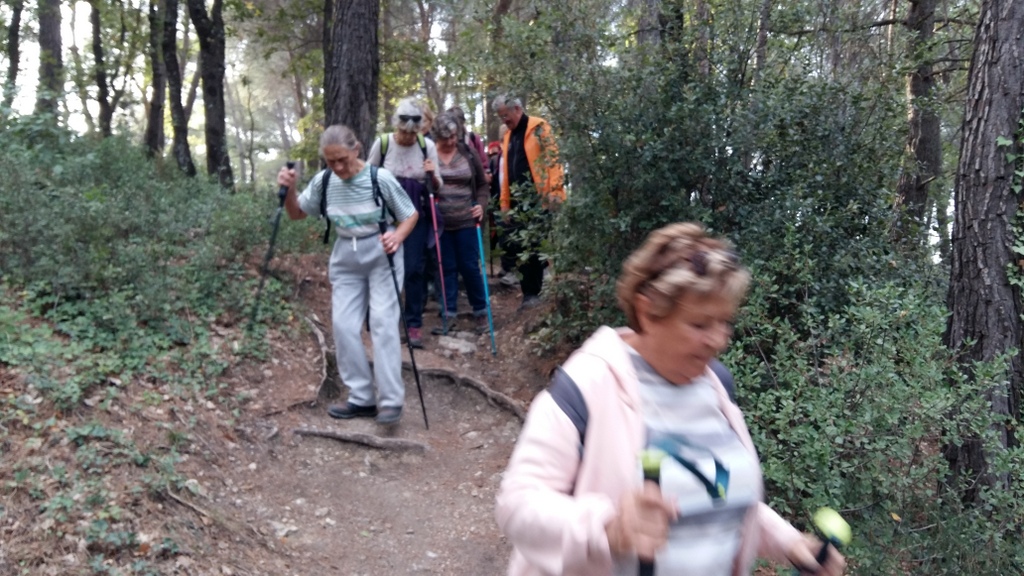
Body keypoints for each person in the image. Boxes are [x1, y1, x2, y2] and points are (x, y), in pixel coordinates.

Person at [495, 222, 848, 576]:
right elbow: (518, 505)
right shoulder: (588, 384)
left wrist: (790, 543)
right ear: (648, 311)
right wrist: (606, 528)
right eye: (699, 324)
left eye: (725, 322)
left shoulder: (716, 387)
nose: (718, 340)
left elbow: (717, 491)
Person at [277, 125, 418, 426]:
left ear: (356, 150)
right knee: (343, 326)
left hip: (382, 253)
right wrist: (289, 189)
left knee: (381, 322)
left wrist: (398, 237)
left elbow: (410, 214)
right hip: (345, 255)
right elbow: (297, 213)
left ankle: (391, 401)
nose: (338, 167)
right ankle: (362, 398)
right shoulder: (325, 181)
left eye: (342, 159)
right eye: (331, 161)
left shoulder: (379, 179)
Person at [367, 98, 443, 349]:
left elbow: (437, 187)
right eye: (404, 132)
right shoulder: (384, 143)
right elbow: (368, 176)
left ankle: (413, 325)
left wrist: (432, 173)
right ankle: (381, 319)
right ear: (396, 126)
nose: (408, 137)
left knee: (413, 270)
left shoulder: (427, 146)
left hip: (414, 214)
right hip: (384, 215)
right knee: (381, 266)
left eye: (413, 133)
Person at [493, 94, 565, 309]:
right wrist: (505, 203)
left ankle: (538, 292)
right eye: (500, 117)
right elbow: (505, 174)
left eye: (506, 115)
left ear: (517, 108)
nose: (504, 120)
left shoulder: (539, 127)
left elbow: (554, 160)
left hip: (540, 199)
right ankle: (529, 294)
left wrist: (555, 190)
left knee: (536, 246)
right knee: (518, 246)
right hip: (516, 203)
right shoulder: (508, 136)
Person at [429, 112, 491, 336]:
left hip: (467, 220)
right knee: (445, 267)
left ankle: (481, 311)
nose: (451, 141)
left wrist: (481, 205)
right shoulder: (429, 156)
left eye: (454, 136)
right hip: (440, 222)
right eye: (446, 138)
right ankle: (448, 314)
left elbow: (483, 186)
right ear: (436, 137)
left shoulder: (467, 152)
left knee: (470, 266)